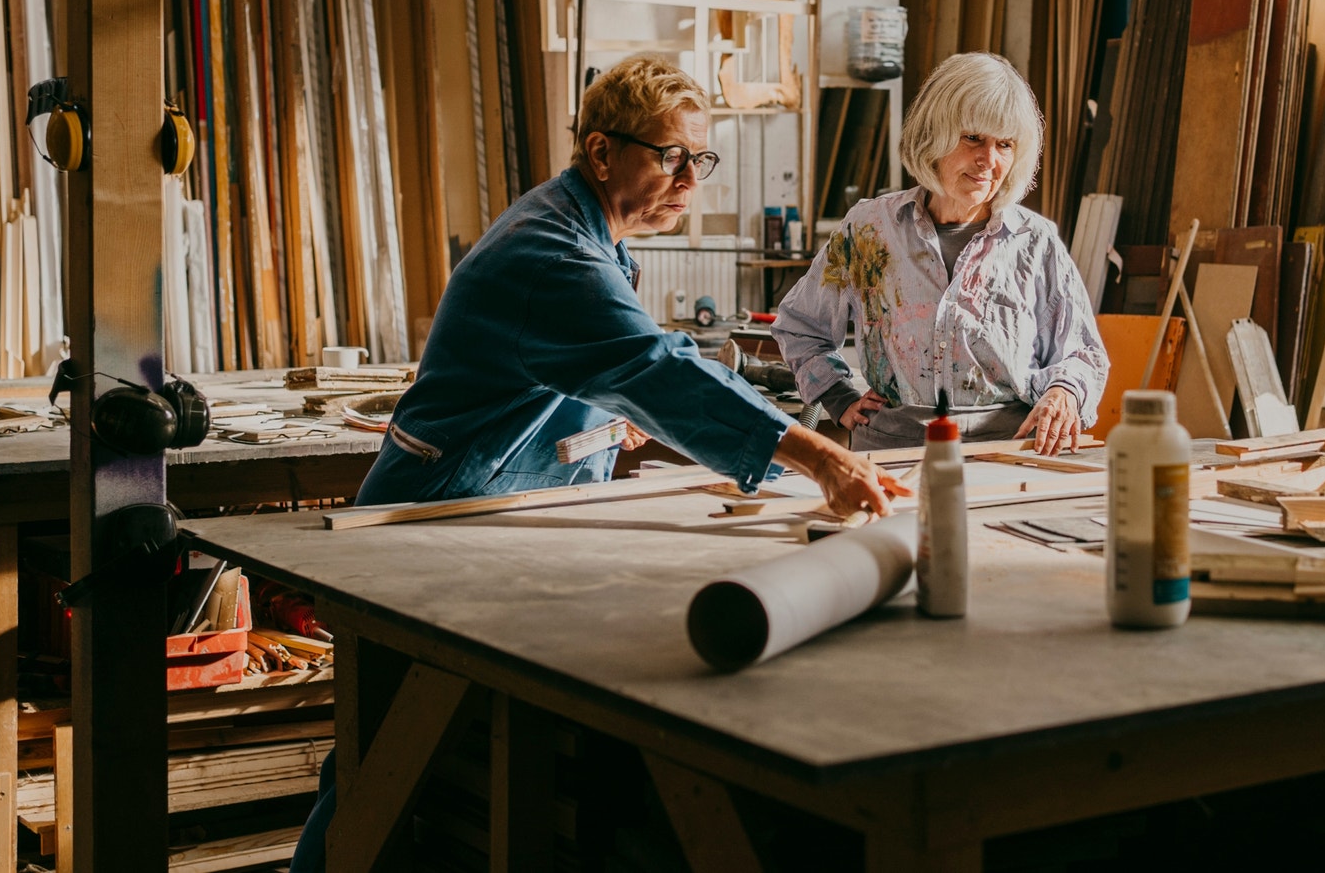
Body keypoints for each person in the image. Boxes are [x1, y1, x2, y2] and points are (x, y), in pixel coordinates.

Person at [289, 55, 890, 873]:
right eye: (668, 156)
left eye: (697, 159)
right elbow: (655, 368)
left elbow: (584, 371)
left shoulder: (591, 231)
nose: (688, 179)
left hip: (484, 520)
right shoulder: (553, 250)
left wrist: (607, 420)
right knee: (376, 768)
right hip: (428, 520)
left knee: (422, 771)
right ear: (602, 152)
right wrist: (820, 457)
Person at [772, 52, 1110, 454]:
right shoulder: (869, 229)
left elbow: (1082, 353)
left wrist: (1064, 393)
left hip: (1006, 452)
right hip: (891, 451)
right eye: (973, 138)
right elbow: (800, 326)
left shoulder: (1034, 242)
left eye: (1004, 144)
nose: (989, 160)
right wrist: (839, 397)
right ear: (934, 135)